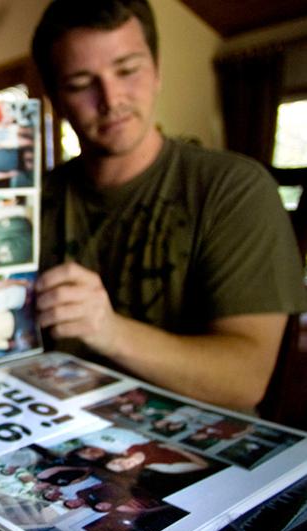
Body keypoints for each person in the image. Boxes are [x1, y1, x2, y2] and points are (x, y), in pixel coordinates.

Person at [31, 0, 307, 410]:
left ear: (157, 70)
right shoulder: (32, 199)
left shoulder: (233, 187)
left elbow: (245, 381)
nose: (111, 99)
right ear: (55, 97)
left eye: (127, 70)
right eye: (80, 83)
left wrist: (109, 330)